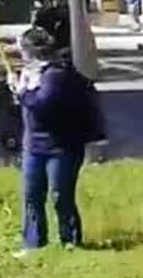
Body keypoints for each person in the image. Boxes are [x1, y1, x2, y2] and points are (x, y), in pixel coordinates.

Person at [10, 27, 101, 252]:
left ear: (31, 51)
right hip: (33, 146)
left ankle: (70, 241)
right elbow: (27, 108)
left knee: (61, 195)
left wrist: (21, 92)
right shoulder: (30, 73)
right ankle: (33, 244)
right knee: (32, 195)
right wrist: (18, 91)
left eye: (22, 49)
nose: (20, 53)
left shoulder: (56, 74)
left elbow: (43, 105)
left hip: (62, 147)